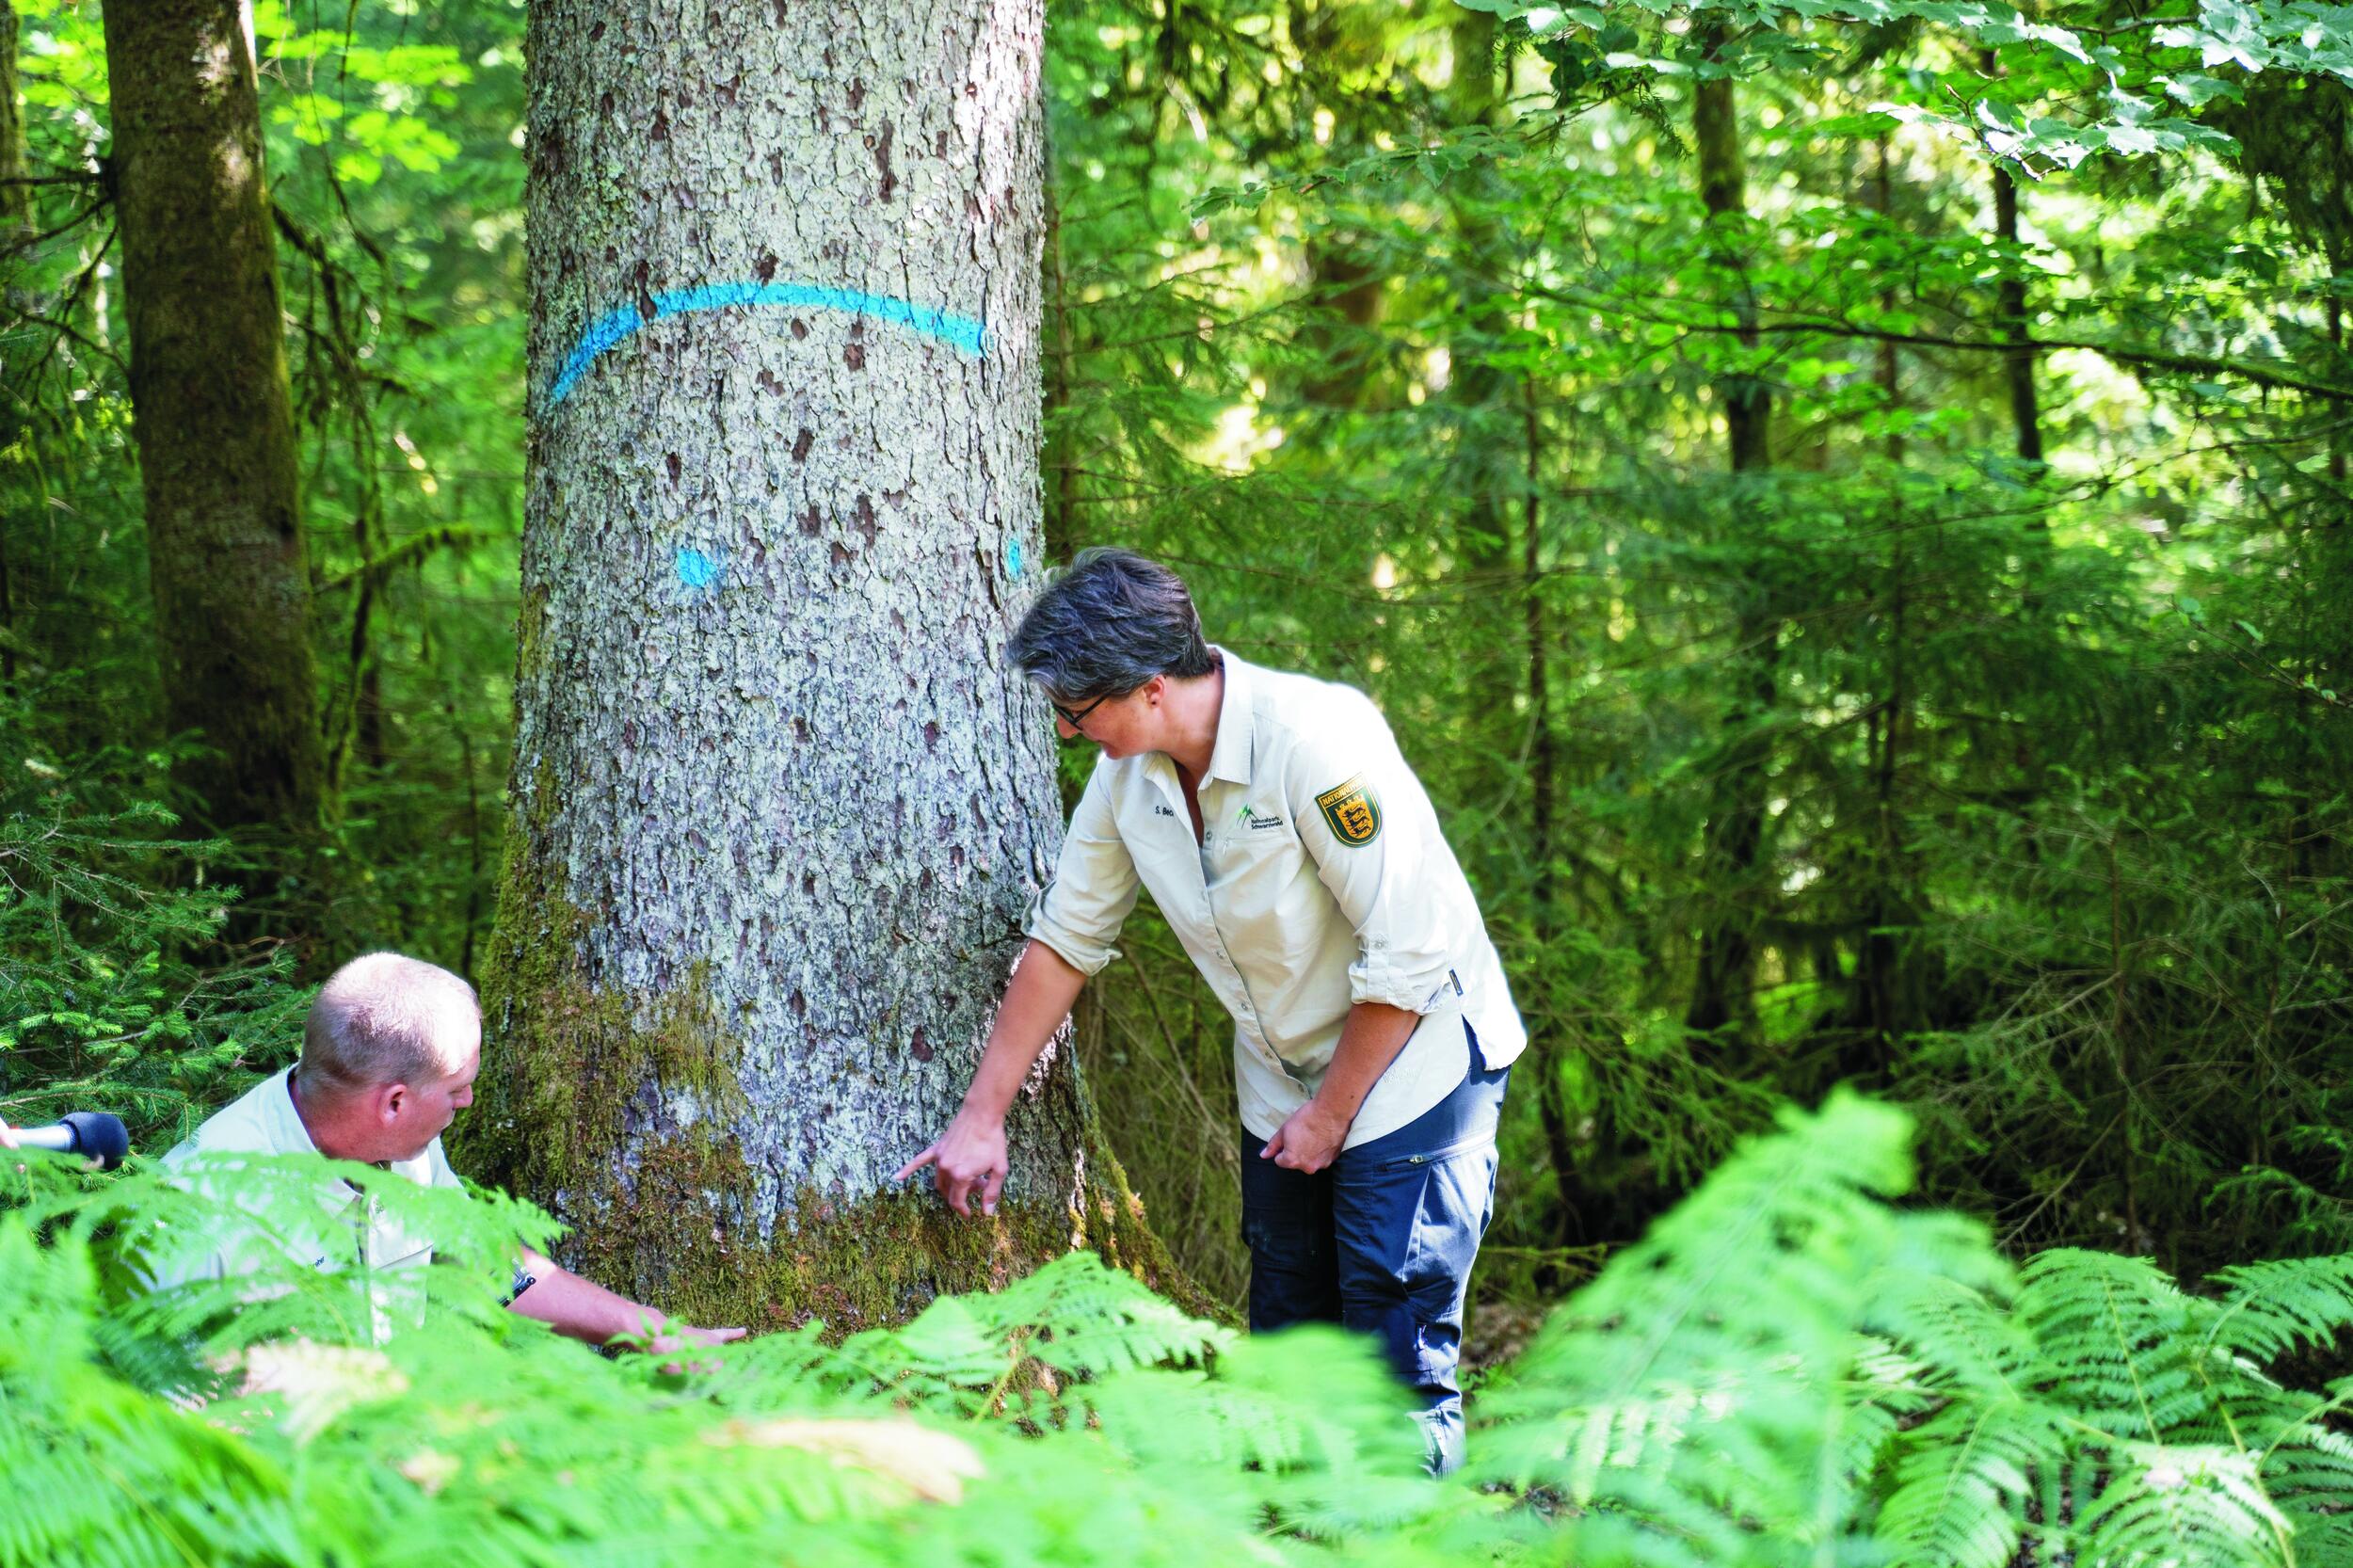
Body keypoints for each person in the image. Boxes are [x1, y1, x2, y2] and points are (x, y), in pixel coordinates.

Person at [898, 549, 1525, 1473]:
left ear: (1150, 688)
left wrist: (1332, 1117)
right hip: (1283, 1086)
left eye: (1077, 710)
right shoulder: (1130, 782)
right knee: (1288, 1352)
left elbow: (1412, 954)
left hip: (1413, 1068)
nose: (1069, 734)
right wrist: (980, 1116)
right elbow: (1066, 940)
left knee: (1391, 1353)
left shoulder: (1315, 742)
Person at [8, 952, 741, 1359]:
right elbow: (168, 1395)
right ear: (391, 1101)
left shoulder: (409, 1147)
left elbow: (497, 1269)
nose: (468, 1105)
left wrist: (658, 1334)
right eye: (457, 1089)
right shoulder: (208, 1201)